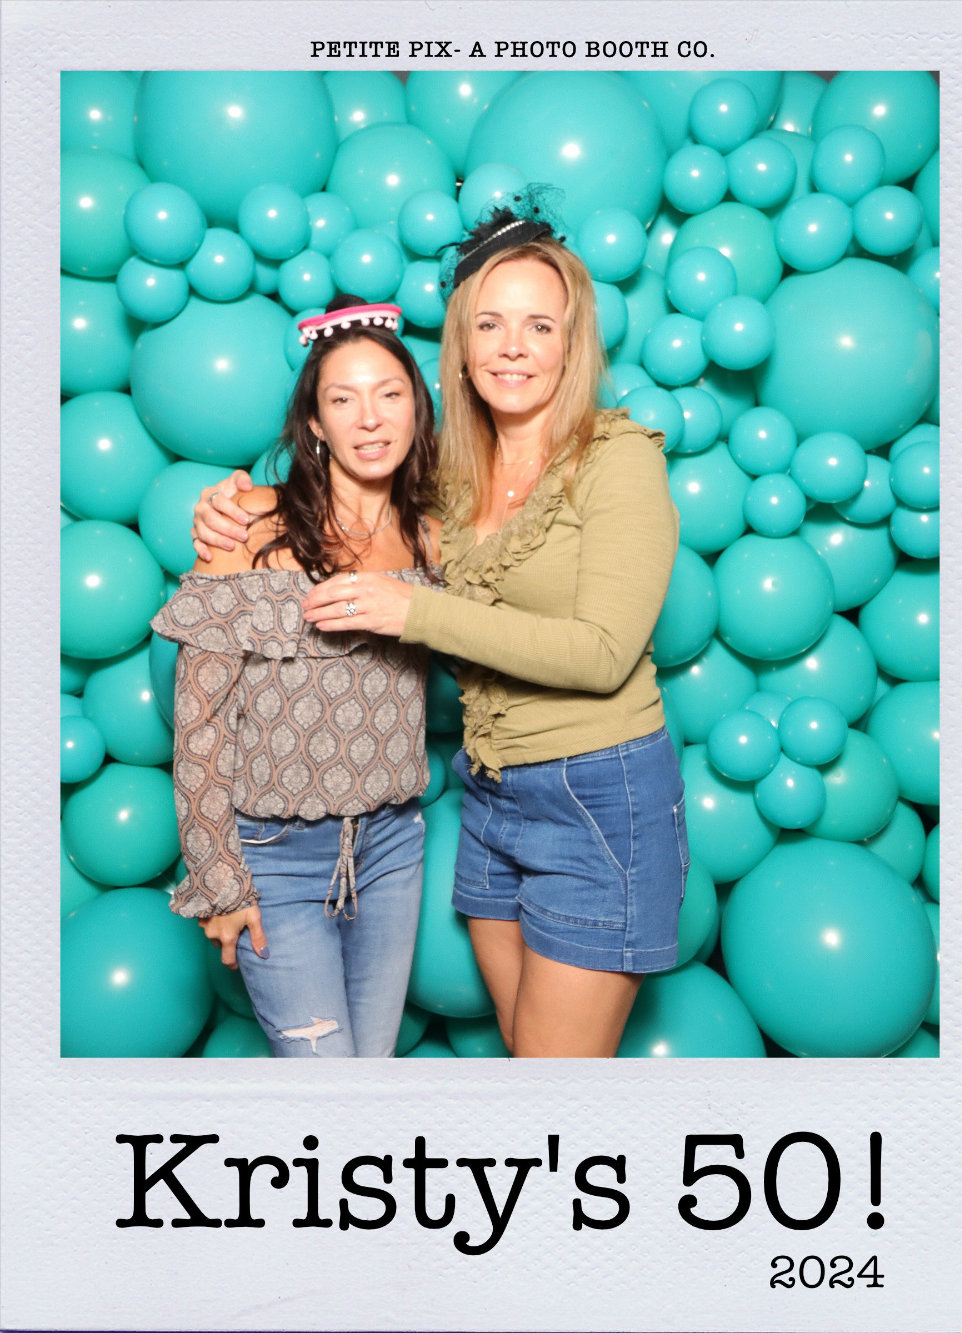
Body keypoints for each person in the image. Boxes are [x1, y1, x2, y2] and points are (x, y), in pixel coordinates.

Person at [195, 202, 688, 1059]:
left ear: (572, 344)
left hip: (599, 792)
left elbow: (605, 654)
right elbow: (348, 506)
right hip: (492, 797)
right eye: (490, 324)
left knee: (556, 1078)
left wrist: (412, 611)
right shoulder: (451, 480)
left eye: (540, 325)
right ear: (460, 345)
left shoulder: (618, 458)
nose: (512, 347)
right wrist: (238, 507)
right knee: (525, 1056)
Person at [153, 296, 442, 1057]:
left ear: (417, 407)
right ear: (315, 423)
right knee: (324, 1087)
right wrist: (218, 876)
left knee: (369, 1077)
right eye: (343, 400)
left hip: (393, 848)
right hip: (273, 855)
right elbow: (200, 719)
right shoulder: (248, 524)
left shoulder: (434, 537)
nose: (370, 418)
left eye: (389, 394)